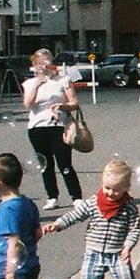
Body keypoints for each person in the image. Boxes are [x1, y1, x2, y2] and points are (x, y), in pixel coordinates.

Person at [42, 158, 140, 279]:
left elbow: (134, 228)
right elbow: (75, 215)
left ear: (127, 187)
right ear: (102, 182)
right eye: (107, 188)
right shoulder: (94, 202)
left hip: (117, 252)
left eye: (117, 190)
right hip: (94, 251)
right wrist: (58, 224)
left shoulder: (129, 206)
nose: (111, 193)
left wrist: (128, 246)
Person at [21, 49, 82, 209]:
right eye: (41, 63)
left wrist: (61, 105)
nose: (45, 66)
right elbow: (28, 104)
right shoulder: (29, 83)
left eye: (48, 62)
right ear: (34, 65)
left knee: (64, 162)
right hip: (37, 127)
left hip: (58, 125)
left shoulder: (63, 80)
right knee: (45, 164)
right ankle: (52, 196)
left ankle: (76, 196)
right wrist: (37, 83)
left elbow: (74, 102)